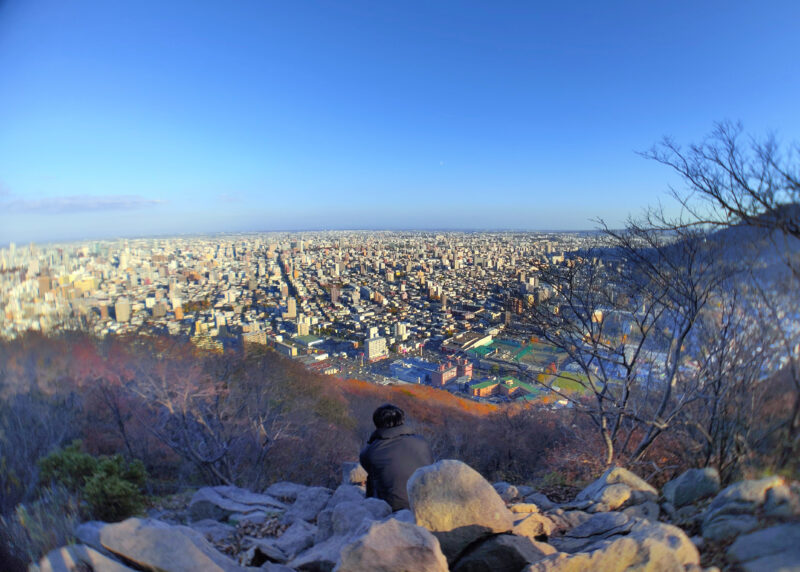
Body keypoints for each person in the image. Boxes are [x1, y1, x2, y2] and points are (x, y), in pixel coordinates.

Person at [359, 403, 434, 511]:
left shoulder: (370, 451)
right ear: (402, 421)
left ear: (377, 423)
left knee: (373, 476)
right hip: (425, 504)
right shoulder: (422, 443)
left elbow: (368, 467)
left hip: (393, 508)